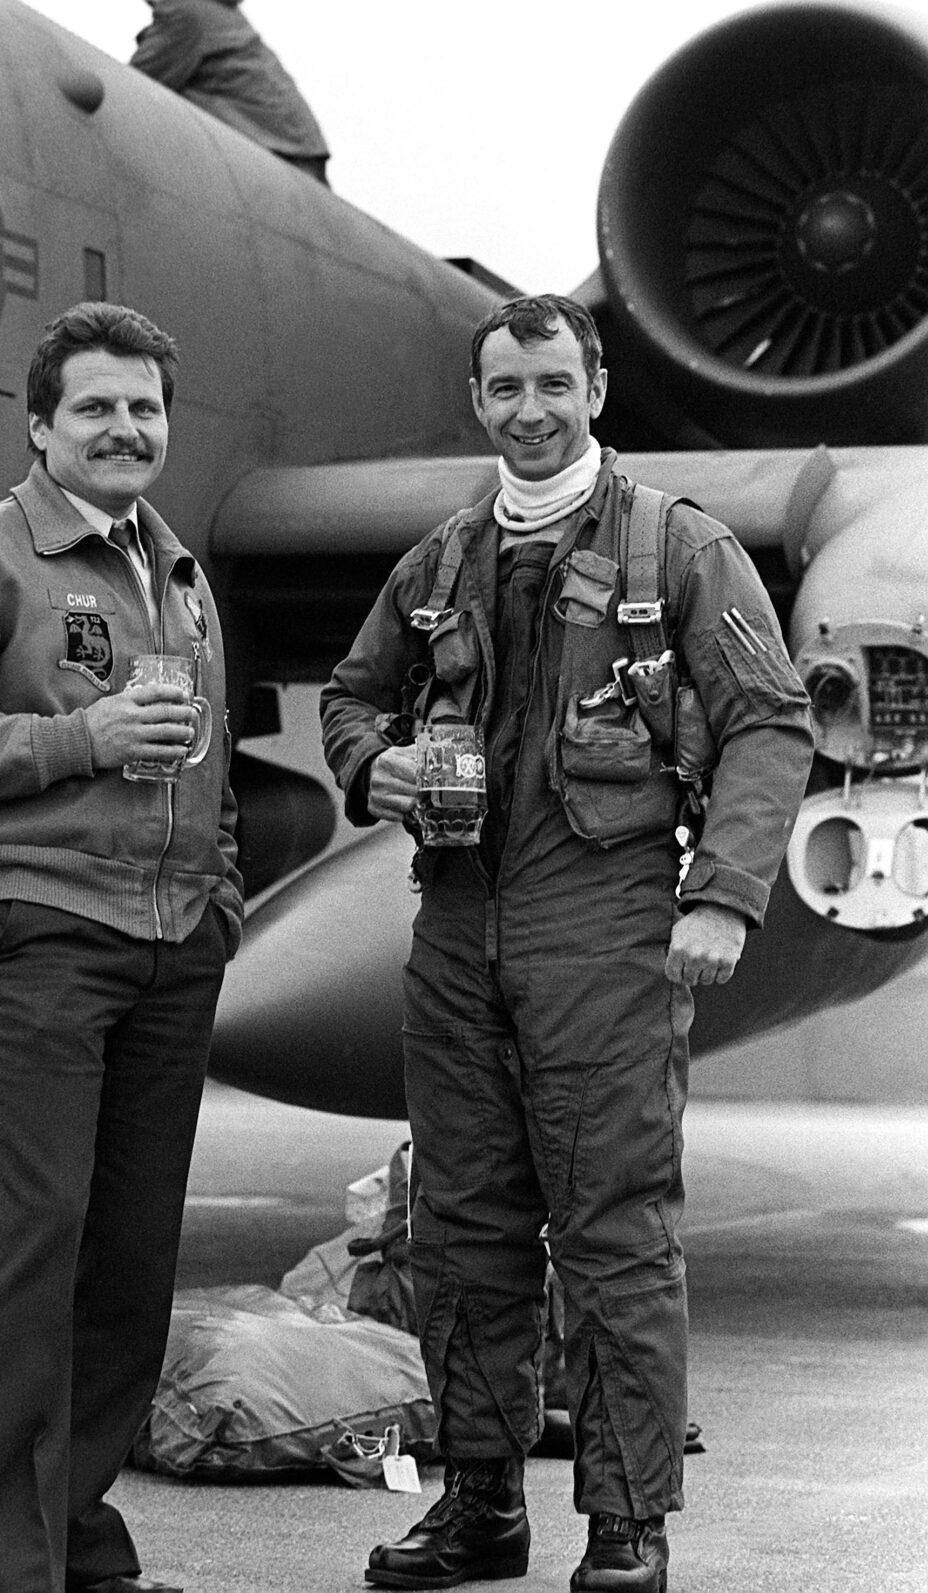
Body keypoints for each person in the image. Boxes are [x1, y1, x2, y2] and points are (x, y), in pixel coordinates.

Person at [320, 294, 814, 1592]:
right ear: (476, 403)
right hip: (457, 928)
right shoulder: (437, 565)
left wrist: (724, 894)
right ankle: (480, 1504)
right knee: (463, 1228)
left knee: (613, 1236)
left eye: (553, 383)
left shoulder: (681, 551)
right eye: (503, 389)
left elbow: (768, 722)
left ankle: (626, 1525)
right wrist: (374, 768)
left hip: (604, 928)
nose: (529, 411)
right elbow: (353, 694)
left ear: (596, 387)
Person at [0, 301, 244, 1593]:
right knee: (43, 1238)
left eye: (145, 407)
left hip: (170, 939)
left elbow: (204, 763)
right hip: (42, 934)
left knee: (133, 1261)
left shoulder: (174, 570)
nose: (125, 428)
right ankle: (1, 1569)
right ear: (39, 424)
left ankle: (75, 1537)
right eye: (96, 406)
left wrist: (220, 897)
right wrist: (82, 740)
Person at [131, 0, 331, 184]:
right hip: (292, 148)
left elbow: (134, 88)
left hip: (278, 154)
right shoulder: (210, 9)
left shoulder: (186, 10)